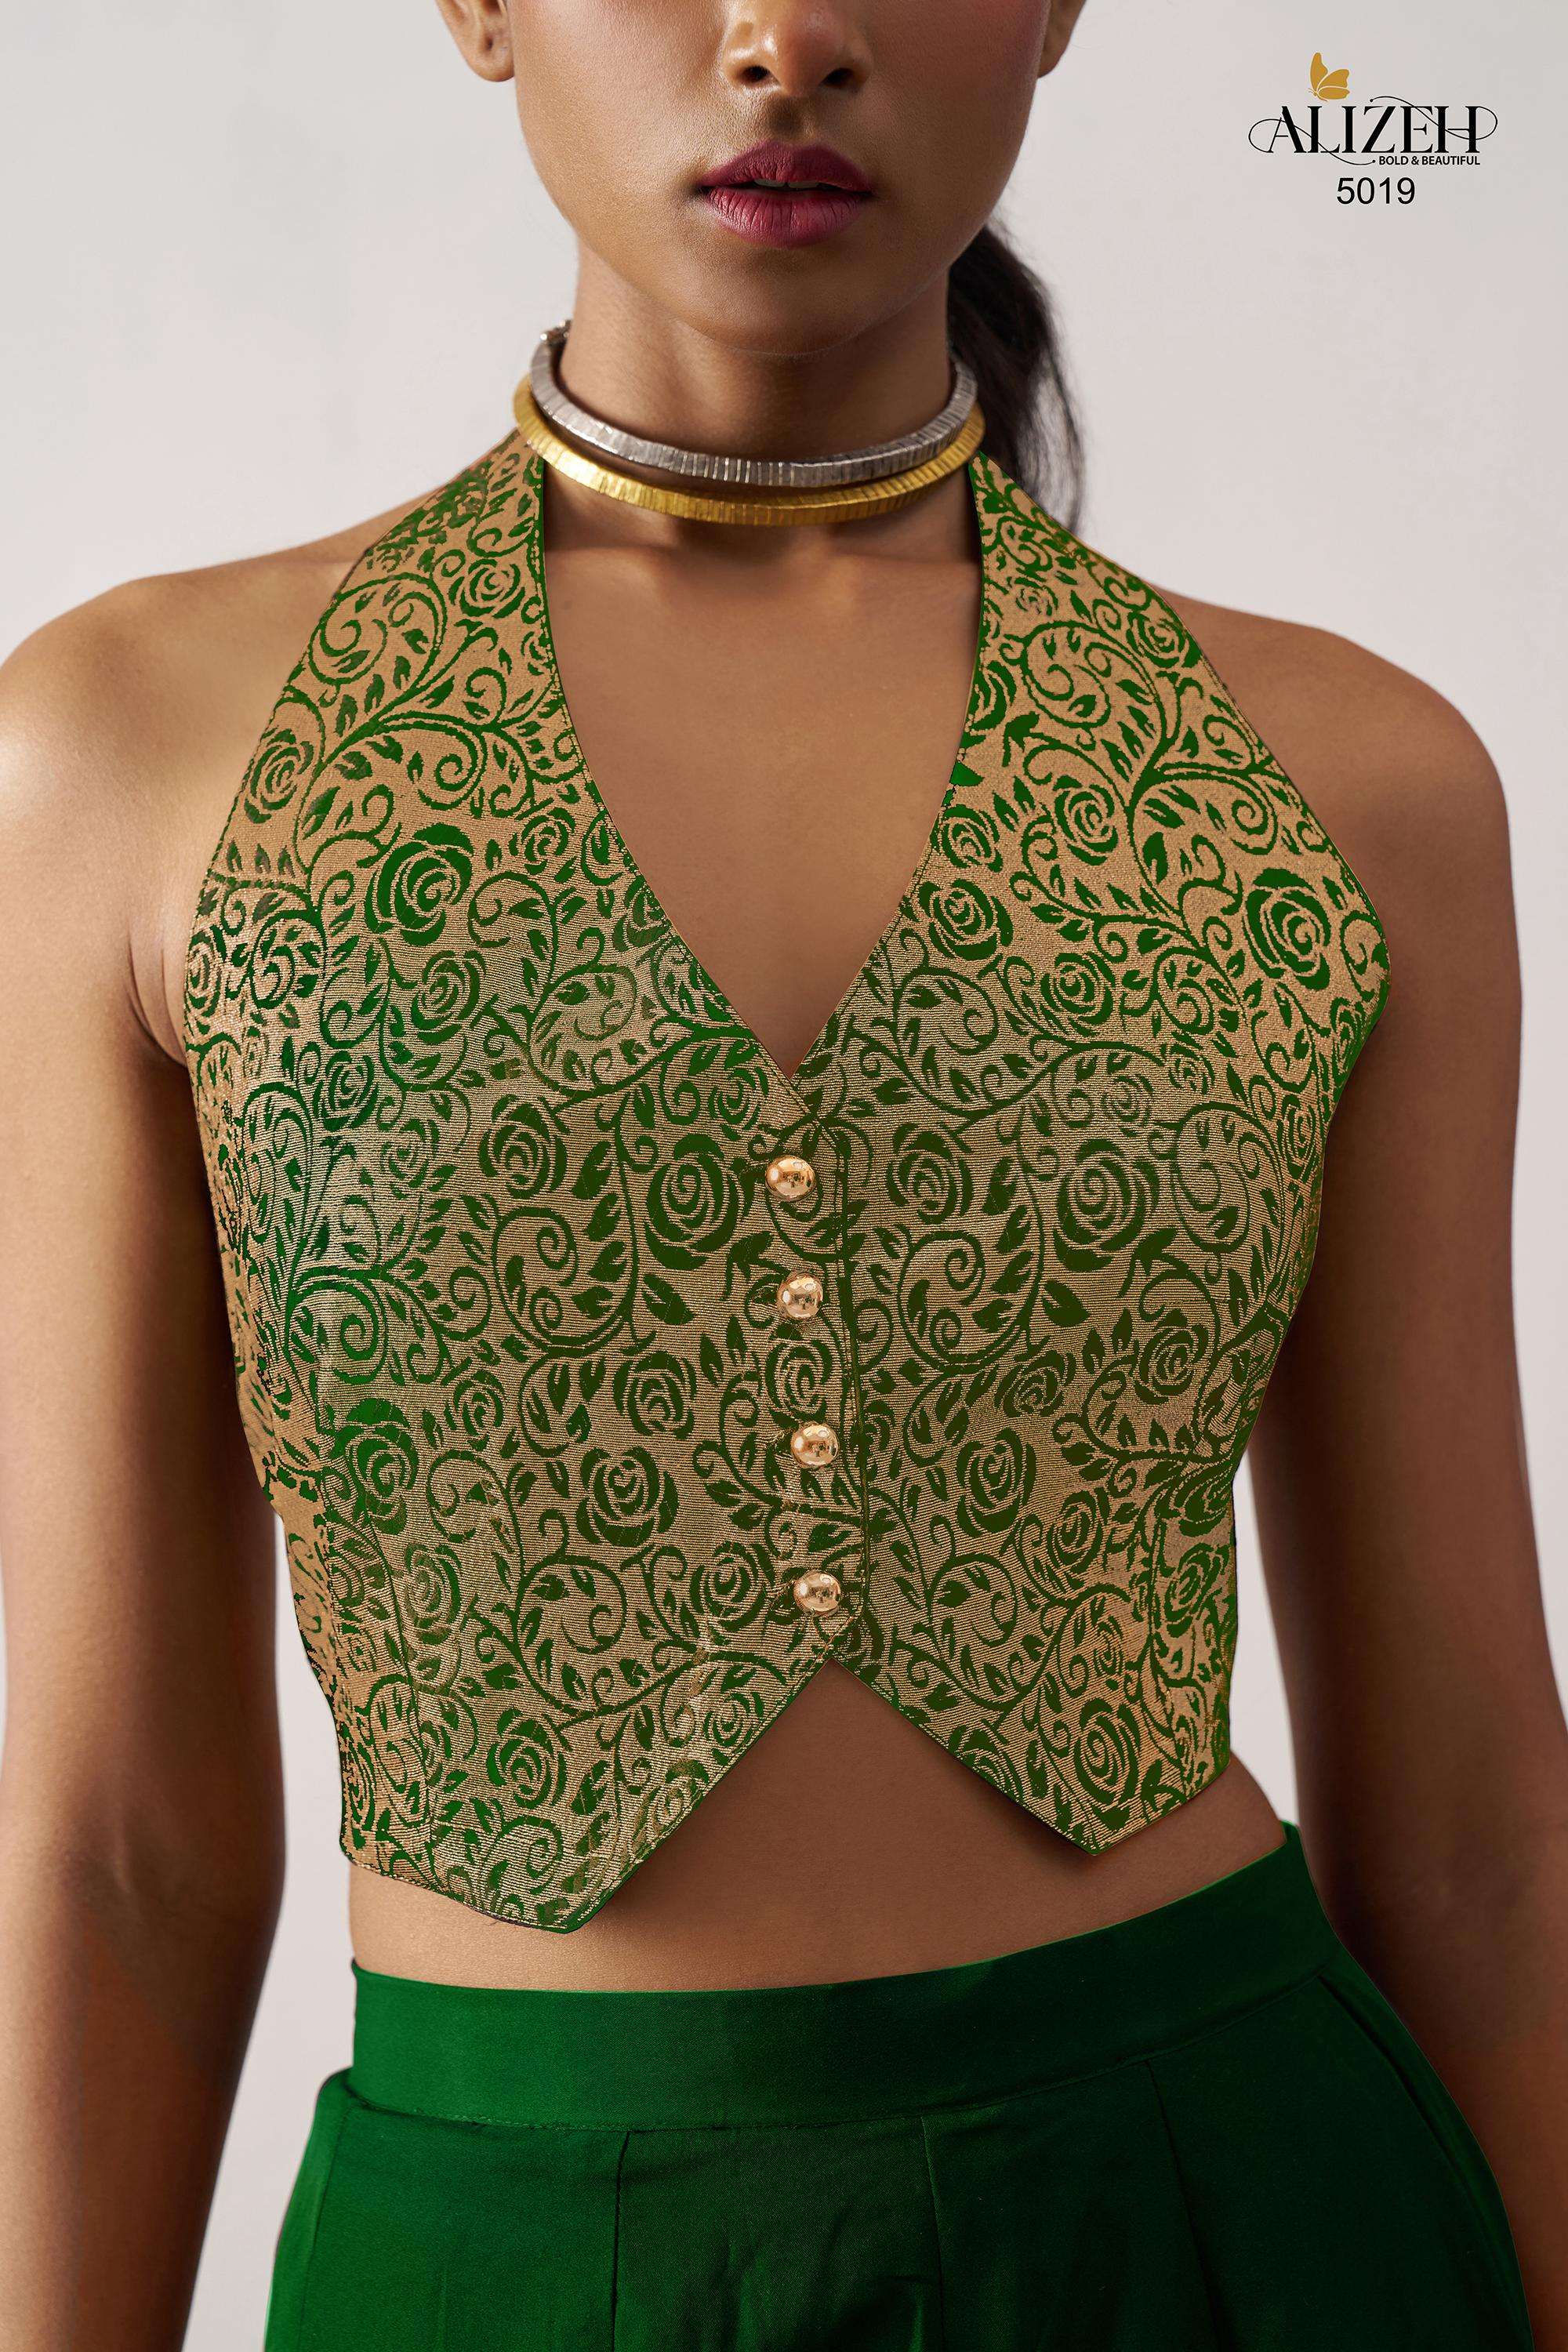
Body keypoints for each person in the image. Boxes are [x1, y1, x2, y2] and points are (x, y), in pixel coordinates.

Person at [0, 1, 1562, 2345]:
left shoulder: (1347, 789)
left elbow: (1474, 1833)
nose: (786, 38)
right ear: (478, 6)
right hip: (503, 2268)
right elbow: (119, 1847)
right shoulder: (133, 760)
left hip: (1241, 2222)